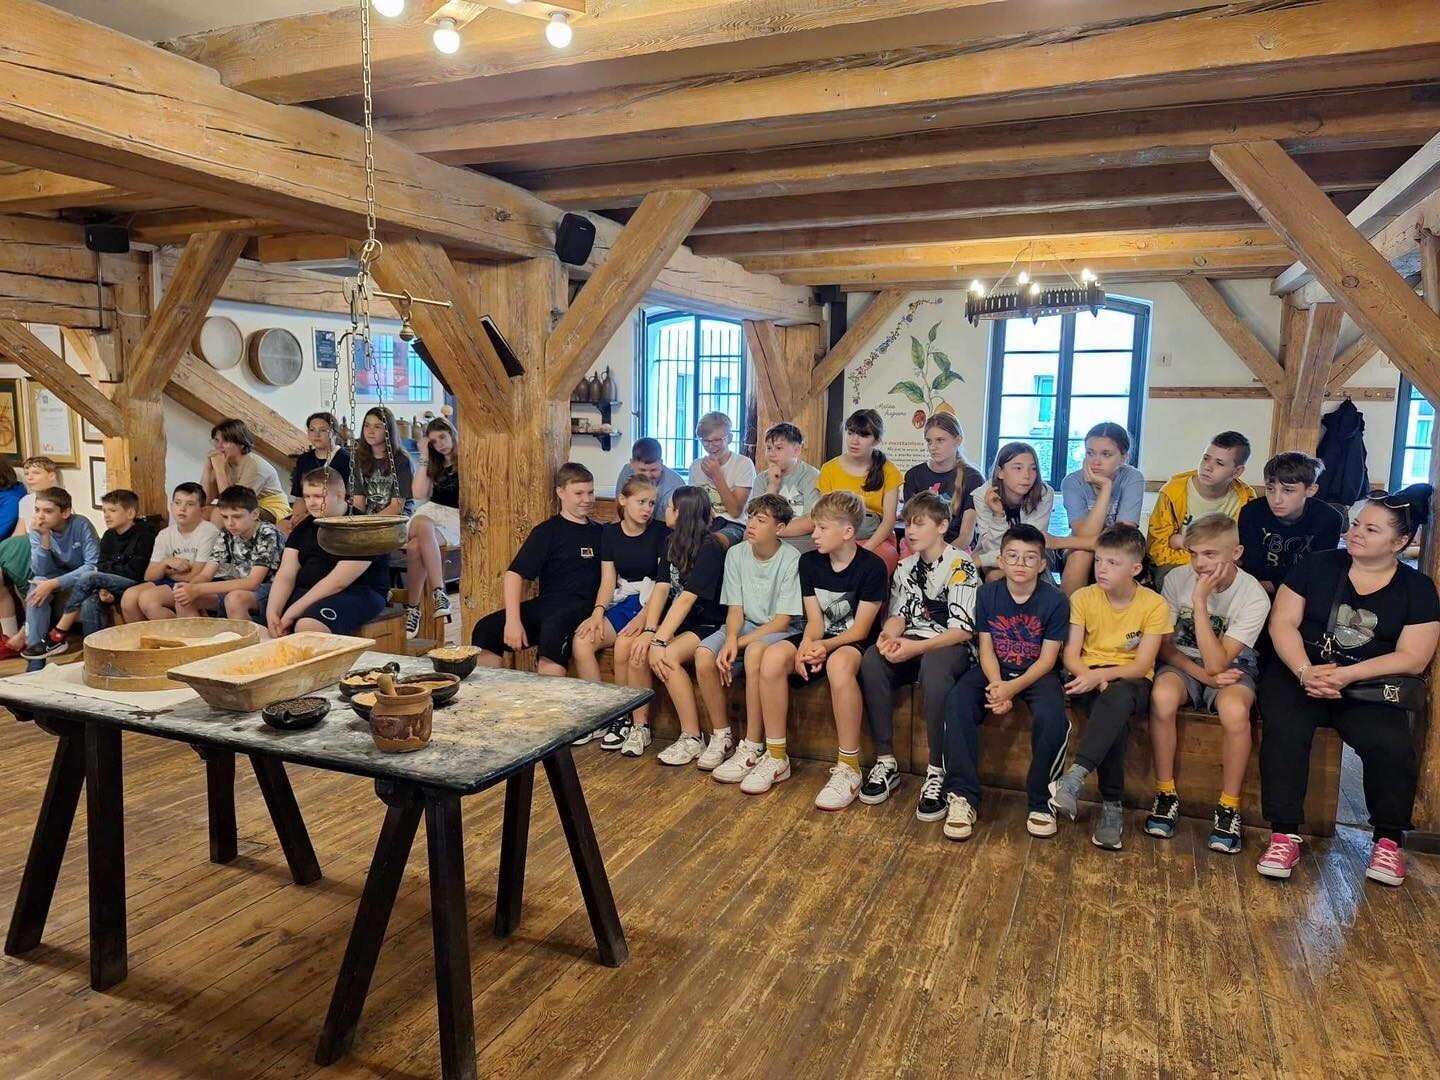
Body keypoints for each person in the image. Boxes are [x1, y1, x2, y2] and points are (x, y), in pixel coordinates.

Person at [1256, 488, 1440, 888]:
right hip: (1299, 672)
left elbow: (1413, 657)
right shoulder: (1316, 565)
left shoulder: (1418, 588)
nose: (1356, 533)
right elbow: (1282, 622)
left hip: (1367, 684)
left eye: (1371, 529)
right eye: (1356, 524)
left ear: (1399, 542)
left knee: (1390, 743)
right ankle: (1283, 834)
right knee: (1285, 731)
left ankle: (1388, 840)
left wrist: (1347, 674)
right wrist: (1305, 670)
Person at [752, 492, 888, 806]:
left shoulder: (872, 567)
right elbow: (814, 622)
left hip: (854, 643)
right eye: (814, 527)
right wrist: (806, 647)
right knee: (772, 658)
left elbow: (860, 630)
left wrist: (822, 647)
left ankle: (849, 766)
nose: (814, 534)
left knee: (838, 665)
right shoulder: (809, 562)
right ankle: (776, 756)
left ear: (848, 532)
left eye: (822, 528)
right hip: (821, 638)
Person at [1145, 513, 1270, 854]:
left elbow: (1219, 663)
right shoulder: (1176, 579)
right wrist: (1200, 675)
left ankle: (1229, 807)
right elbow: (1164, 646)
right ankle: (1165, 793)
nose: (1199, 564)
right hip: (1184, 662)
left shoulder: (1253, 595)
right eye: (1193, 553)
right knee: (1161, 697)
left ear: (1236, 553)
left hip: (1232, 666)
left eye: (1210, 554)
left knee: (1234, 710)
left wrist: (1200, 602)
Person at [940, 525, 1072, 841]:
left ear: (1042, 564)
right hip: (994, 669)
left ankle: (1042, 801)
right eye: (1012, 556)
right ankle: (962, 796)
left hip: (1036, 673)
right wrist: (998, 684)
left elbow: (1048, 660)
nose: (1020, 564)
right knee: (958, 701)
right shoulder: (988, 594)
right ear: (1000, 560)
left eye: (1030, 558)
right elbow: (986, 647)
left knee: (1053, 716)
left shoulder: (1056, 601)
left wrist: (1011, 689)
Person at [1047, 524, 1173, 851]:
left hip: (1131, 680)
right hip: (1085, 674)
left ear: (1135, 568)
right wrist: (1093, 677)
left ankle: (1075, 776)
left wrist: (1103, 677)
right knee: (1113, 717)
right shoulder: (1083, 597)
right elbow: (1071, 656)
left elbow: (1141, 666)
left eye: (1112, 563)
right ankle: (1112, 807)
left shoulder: (1154, 604)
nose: (1101, 569)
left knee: (1118, 697)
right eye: (1099, 560)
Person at [858, 492, 978, 815]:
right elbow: (899, 614)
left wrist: (916, 647)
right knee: (873, 659)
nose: (910, 531)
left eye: (919, 523)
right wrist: (888, 635)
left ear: (942, 526)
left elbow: (962, 630)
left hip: (949, 645)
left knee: (936, 668)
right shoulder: (905, 565)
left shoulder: (961, 564)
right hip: (914, 640)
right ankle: (885, 760)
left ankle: (938, 769)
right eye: (908, 523)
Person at [698, 493, 804, 780]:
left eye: (761, 520)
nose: (751, 525)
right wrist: (731, 639)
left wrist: (737, 644)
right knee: (704, 654)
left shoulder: (791, 558)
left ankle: (753, 745)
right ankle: (722, 735)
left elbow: (783, 620)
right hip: (743, 626)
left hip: (778, 630)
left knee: (755, 651)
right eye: (750, 518)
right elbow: (735, 609)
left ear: (779, 528)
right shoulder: (736, 553)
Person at [471, 462, 601, 677]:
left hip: (582, 607)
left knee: (553, 628)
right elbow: (514, 574)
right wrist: (513, 621)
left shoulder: (601, 534)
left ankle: (549, 697)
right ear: (560, 492)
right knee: (486, 628)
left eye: (590, 492)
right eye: (579, 493)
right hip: (547, 605)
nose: (587, 499)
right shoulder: (547, 532)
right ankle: (491, 691)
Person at [570, 475, 667, 750]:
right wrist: (597, 613)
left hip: (652, 603)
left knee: (626, 645)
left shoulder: (661, 533)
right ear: (623, 500)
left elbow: (664, 585)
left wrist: (643, 618)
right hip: (624, 600)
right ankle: (604, 714)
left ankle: (628, 718)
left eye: (652, 503)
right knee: (582, 640)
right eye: (641, 502)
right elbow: (608, 581)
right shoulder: (611, 534)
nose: (647, 509)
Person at [642, 487, 730, 765]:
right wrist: (650, 630)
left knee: (666, 657)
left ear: (682, 513)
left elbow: (687, 599)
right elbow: (661, 588)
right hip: (684, 621)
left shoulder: (710, 547)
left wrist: (659, 642)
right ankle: (684, 736)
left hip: (710, 621)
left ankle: (694, 736)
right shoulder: (671, 540)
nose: (664, 510)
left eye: (669, 507)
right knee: (643, 649)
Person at [266, 469, 390, 636]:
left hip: (357, 592)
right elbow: (286, 574)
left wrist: (291, 613)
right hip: (307, 590)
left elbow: (338, 582)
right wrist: (273, 611)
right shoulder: (304, 526)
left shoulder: (363, 528)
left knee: (308, 625)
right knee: (243, 605)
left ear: (339, 496)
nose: (311, 503)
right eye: (307, 496)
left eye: (318, 496)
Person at [44, 489, 157, 647]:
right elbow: (102, 565)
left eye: (112, 510)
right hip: (112, 583)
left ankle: (60, 631)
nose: (106, 515)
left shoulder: (145, 534)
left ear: (130, 513)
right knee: (90, 601)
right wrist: (105, 586)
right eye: (104, 511)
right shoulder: (109, 535)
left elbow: (135, 571)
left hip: (138, 583)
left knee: (90, 577)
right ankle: (95, 650)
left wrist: (106, 577)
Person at [971, 441, 1093, 580]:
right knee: (994, 576)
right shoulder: (983, 495)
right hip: (993, 552)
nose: (1027, 475)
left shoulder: (1044, 493)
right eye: (1018, 468)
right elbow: (991, 547)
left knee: (1016, 573)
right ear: (1000, 472)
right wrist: (998, 515)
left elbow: (1031, 544)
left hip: (1035, 551)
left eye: (1033, 469)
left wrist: (980, 560)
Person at [1147, 430, 1255, 584]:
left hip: (1224, 566)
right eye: (1205, 458)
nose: (1207, 467)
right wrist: (1202, 560)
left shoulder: (1246, 498)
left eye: (1219, 463)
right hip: (1175, 564)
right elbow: (1157, 549)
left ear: (1237, 471)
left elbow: (1243, 550)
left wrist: (1184, 543)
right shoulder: (1173, 491)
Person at [1238, 452, 1344, 597]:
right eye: (1270, 489)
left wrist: (1272, 584)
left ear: (1311, 490)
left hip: (1302, 593)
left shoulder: (1328, 519)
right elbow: (1250, 565)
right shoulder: (1251, 512)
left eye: (1288, 490)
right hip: (1253, 591)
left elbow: (1318, 571)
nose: (1276, 500)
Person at [1058, 423, 1145, 594]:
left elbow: (1120, 539)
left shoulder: (1133, 478)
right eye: (1090, 453)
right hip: (1081, 546)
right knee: (1081, 554)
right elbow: (1084, 534)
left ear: (1123, 457)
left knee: (1114, 557)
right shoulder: (1072, 481)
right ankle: (1069, 610)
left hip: (1123, 548)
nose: (1096, 462)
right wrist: (1106, 489)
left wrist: (1060, 542)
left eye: (1106, 454)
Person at [174, 486, 284, 621]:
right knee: (183, 599)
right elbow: (206, 574)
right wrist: (189, 588)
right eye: (225, 517)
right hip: (240, 586)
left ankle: (244, 636)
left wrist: (198, 589)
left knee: (234, 599)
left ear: (255, 514)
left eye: (237, 517)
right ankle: (201, 634)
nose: (230, 523)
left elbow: (253, 582)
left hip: (273, 590)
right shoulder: (226, 533)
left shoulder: (267, 532)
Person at [818, 409, 904, 575]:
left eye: (863, 435)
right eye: (850, 433)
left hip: (875, 538)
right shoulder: (829, 469)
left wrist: (864, 551)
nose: (854, 440)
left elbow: (888, 521)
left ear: (876, 440)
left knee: (875, 563)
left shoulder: (889, 471)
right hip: (839, 537)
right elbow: (825, 515)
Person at [121, 483, 222, 624]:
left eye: (190, 504)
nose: (182, 508)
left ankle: (181, 635)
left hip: (201, 583)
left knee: (149, 600)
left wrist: (166, 572)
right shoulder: (164, 534)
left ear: (202, 510)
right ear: (171, 506)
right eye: (178, 503)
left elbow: (195, 575)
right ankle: (144, 637)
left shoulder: (209, 532)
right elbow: (149, 575)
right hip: (171, 581)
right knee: (128, 598)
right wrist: (165, 563)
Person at [20, 487, 101, 661]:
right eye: (37, 510)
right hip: (56, 576)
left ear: (65, 512)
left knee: (84, 586)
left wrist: (54, 583)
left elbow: (92, 565)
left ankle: (92, 656)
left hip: (83, 578)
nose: (40, 516)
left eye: (48, 511)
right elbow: (41, 571)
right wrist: (44, 539)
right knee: (37, 585)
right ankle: (36, 654)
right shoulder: (38, 529)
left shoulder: (81, 524)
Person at [0, 458, 62, 659]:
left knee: (22, 564)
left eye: (35, 473)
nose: (29, 478)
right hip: (26, 550)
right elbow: (19, 532)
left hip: (47, 554)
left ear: (51, 476)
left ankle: (28, 635)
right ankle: (10, 635)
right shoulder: (25, 501)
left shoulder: (59, 500)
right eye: (27, 473)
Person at [403, 416, 459, 637]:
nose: (440, 444)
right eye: (434, 441)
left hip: (454, 519)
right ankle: (439, 593)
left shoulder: (467, 459)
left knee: (415, 546)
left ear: (452, 434)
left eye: (443, 437)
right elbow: (418, 494)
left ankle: (412, 608)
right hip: (430, 512)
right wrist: (425, 457)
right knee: (422, 522)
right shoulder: (434, 463)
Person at [902, 414, 985, 547]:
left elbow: (966, 536)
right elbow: (911, 527)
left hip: (957, 548)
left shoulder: (973, 479)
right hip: (920, 546)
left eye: (940, 440)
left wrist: (941, 557)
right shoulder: (914, 475)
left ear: (958, 441)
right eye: (929, 441)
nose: (932, 447)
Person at [202, 418, 292, 525]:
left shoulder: (255, 466)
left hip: (272, 510)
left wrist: (219, 469)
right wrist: (208, 468)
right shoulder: (224, 461)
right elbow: (203, 500)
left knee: (218, 514)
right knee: (201, 511)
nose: (218, 446)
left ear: (241, 444)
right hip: (245, 506)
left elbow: (233, 503)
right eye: (217, 440)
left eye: (225, 441)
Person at [688, 412, 755, 548]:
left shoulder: (743, 464)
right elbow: (694, 505)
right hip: (705, 522)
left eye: (717, 440)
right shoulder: (696, 466)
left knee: (711, 544)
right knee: (676, 540)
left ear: (729, 438)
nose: (711, 446)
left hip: (734, 524)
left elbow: (735, 511)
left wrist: (717, 476)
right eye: (705, 441)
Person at [285, 412, 352, 533]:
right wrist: (295, 519)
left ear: (333, 432)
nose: (316, 434)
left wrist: (307, 517)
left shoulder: (346, 459)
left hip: (334, 513)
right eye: (312, 430)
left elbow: (349, 499)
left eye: (322, 430)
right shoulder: (304, 459)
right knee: (282, 529)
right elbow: (300, 497)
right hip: (308, 511)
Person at [760, 423, 821, 551]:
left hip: (801, 539)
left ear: (796, 451)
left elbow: (811, 521)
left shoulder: (811, 476)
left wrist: (770, 529)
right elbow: (757, 517)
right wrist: (772, 486)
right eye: (769, 448)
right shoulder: (761, 479)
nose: (772, 454)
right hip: (768, 538)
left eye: (779, 448)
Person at [350, 406, 415, 518]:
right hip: (370, 517)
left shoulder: (402, 460)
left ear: (388, 430)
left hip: (397, 518)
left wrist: (370, 523)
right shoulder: (358, 458)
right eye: (367, 425)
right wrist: (359, 523)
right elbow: (358, 502)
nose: (370, 431)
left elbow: (397, 506)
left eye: (377, 427)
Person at [615, 438, 685, 516]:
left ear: (661, 464)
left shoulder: (676, 486)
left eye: (653, 470)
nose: (648, 476)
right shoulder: (626, 473)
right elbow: (619, 512)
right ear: (632, 464)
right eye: (642, 470)